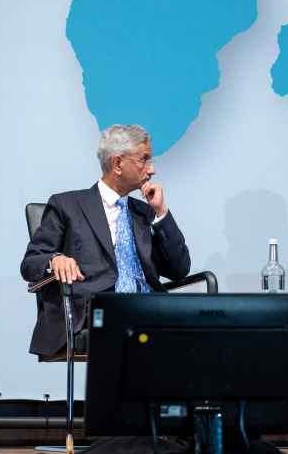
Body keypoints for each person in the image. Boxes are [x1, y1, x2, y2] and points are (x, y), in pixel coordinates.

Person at [20, 124, 191, 358]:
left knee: (201, 324)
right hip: (96, 309)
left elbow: (179, 269)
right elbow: (31, 263)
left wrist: (161, 212)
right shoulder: (67, 205)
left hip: (148, 307)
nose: (151, 170)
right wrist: (55, 259)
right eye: (144, 159)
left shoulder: (143, 212)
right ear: (118, 164)